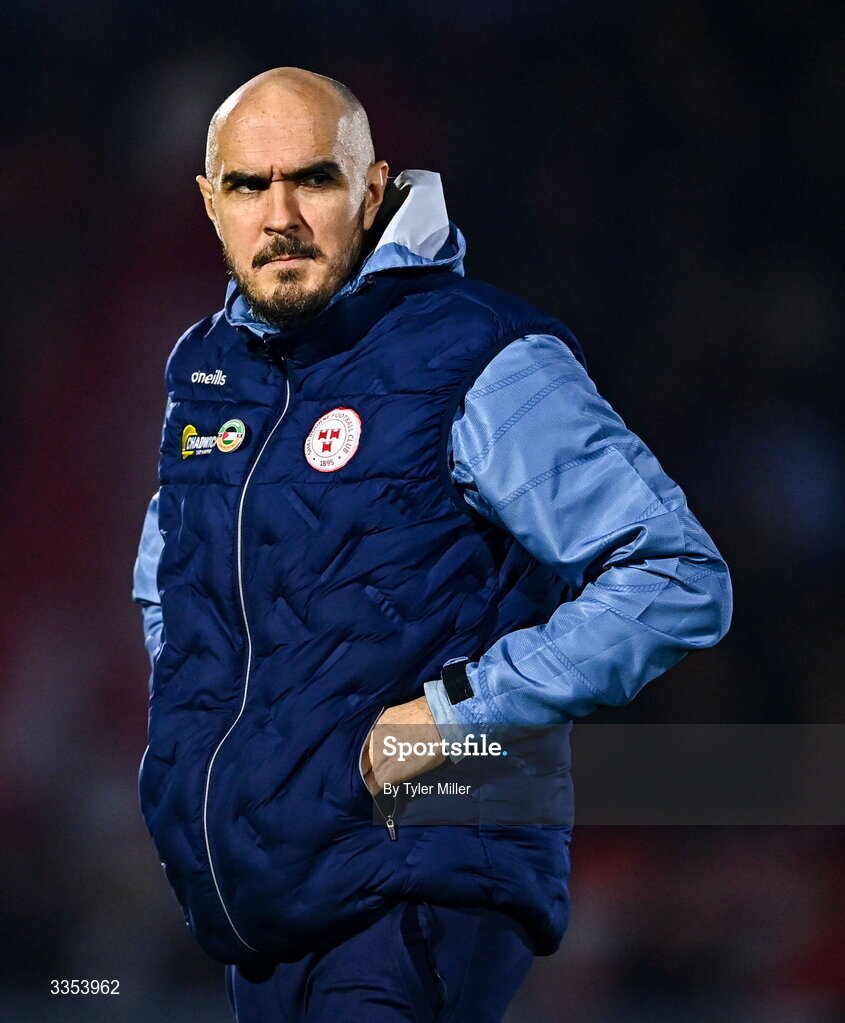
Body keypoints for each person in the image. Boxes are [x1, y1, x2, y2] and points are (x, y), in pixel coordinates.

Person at [132, 67, 732, 1022]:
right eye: (248, 185)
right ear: (210, 204)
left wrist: (454, 716)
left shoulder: (479, 355)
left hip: (421, 880)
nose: (279, 214)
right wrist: (197, 757)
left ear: (372, 191)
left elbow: (675, 575)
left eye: (313, 180)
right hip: (263, 899)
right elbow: (171, 582)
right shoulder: (208, 373)